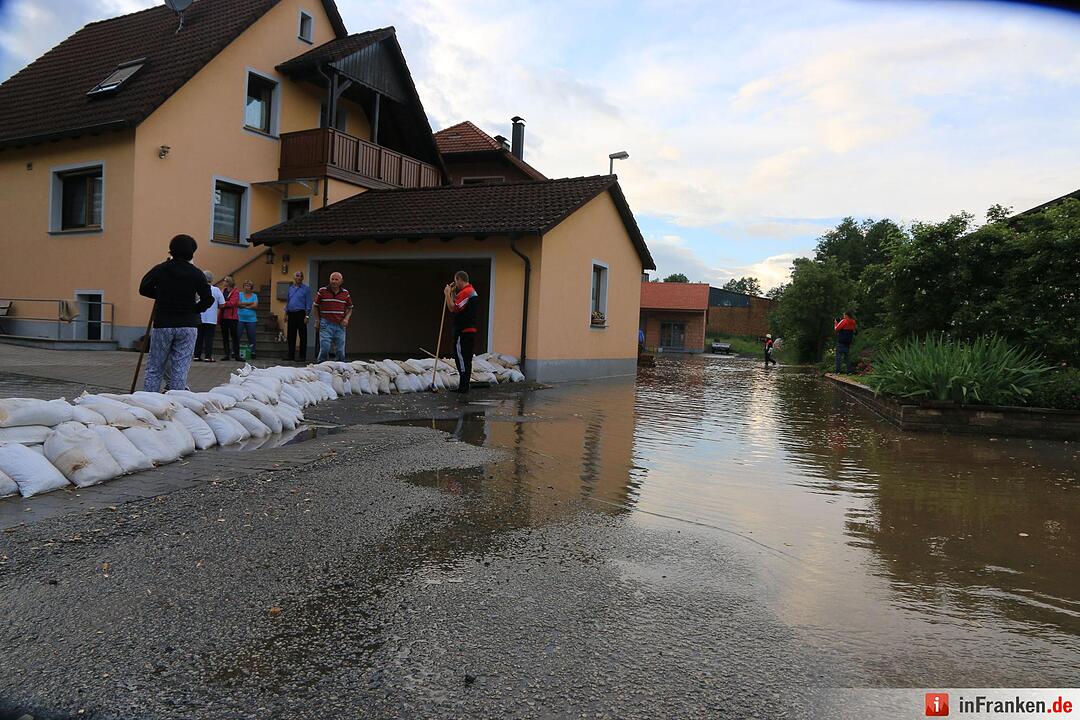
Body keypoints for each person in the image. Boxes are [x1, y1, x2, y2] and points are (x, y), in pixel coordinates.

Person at [138, 234, 214, 392]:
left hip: (163, 324)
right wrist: (194, 309)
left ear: (171, 251)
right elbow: (208, 299)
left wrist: (161, 296)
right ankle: (177, 405)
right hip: (188, 325)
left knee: (155, 368)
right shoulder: (196, 273)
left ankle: (149, 405)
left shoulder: (161, 269)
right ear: (192, 252)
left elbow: (143, 288)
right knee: (180, 370)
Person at [444, 270, 479, 394]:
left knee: (462, 358)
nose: (455, 284)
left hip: (463, 331)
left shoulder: (467, 292)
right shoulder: (470, 292)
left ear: (460, 279)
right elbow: (457, 305)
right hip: (469, 329)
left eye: (456, 281)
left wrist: (447, 294)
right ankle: (464, 385)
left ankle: (463, 387)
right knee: (466, 358)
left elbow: (453, 308)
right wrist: (452, 294)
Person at [314, 272, 352, 362]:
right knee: (325, 348)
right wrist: (317, 320)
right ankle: (321, 366)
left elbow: (350, 308)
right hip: (326, 323)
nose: (334, 281)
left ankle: (340, 368)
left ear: (341, 281)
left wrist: (346, 319)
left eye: (336, 279)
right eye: (332, 279)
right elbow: (315, 305)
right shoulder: (322, 291)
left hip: (340, 324)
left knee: (340, 350)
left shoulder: (345, 293)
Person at [193, 270, 224, 362]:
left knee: (199, 337)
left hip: (199, 316)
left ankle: (197, 355)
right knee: (209, 338)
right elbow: (222, 304)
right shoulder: (216, 290)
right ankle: (208, 356)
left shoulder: (197, 289)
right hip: (211, 318)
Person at [283, 270, 312, 362]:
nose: (299, 278)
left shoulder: (306, 289)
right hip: (291, 313)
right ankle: (290, 355)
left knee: (302, 335)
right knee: (291, 335)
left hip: (301, 313)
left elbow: (308, 303)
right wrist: (285, 314)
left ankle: (302, 356)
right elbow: (288, 301)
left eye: (300, 276)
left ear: (302, 278)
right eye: (297, 276)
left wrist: (307, 316)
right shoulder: (291, 288)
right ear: (294, 277)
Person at [219, 276, 241, 361]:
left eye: (224, 281)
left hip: (232, 317)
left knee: (234, 337)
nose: (223, 282)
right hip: (223, 316)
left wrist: (223, 303)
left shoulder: (235, 292)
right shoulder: (223, 291)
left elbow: (233, 303)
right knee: (225, 336)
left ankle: (236, 354)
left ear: (228, 282)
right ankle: (226, 354)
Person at [237, 280, 259, 359]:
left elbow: (255, 306)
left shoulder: (254, 296)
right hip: (240, 318)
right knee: (237, 335)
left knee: (251, 336)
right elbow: (238, 304)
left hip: (251, 319)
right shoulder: (239, 294)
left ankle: (253, 351)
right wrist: (250, 304)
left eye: (249, 286)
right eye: (245, 285)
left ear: (251, 288)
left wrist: (244, 305)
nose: (247, 287)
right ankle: (234, 351)